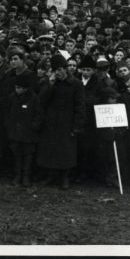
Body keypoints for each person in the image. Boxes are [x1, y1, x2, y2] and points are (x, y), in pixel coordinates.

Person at [36, 54, 86, 189]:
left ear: (65, 69)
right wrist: (50, 85)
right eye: (55, 70)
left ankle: (65, 178)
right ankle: (51, 176)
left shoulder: (76, 83)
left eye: (59, 69)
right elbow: (41, 101)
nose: (57, 73)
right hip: (51, 122)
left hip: (67, 123)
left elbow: (80, 106)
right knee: (50, 150)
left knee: (66, 152)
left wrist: (77, 126)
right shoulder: (51, 82)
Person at [6, 73, 43, 186]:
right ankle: (17, 175)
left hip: (29, 133)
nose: (17, 90)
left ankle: (26, 176)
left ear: (25, 88)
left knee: (28, 155)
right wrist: (9, 125)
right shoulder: (12, 97)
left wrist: (34, 126)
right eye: (16, 87)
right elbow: (7, 113)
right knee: (16, 154)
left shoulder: (34, 98)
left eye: (20, 88)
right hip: (15, 132)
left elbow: (39, 114)